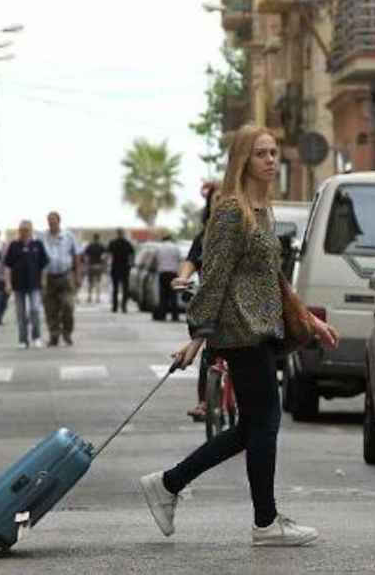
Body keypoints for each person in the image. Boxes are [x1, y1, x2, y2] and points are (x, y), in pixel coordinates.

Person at [138, 125, 340, 547]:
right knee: (265, 423)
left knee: (250, 427)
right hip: (240, 330)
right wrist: (198, 336)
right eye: (261, 154)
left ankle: (169, 484)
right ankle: (265, 523)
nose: (270, 161)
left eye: (273, 153)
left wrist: (309, 319)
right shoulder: (231, 210)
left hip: (262, 327)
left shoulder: (263, 210)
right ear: (243, 161)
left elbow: (274, 276)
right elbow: (214, 277)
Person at [174, 182, 216, 421]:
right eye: (216, 200)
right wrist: (182, 278)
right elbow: (192, 260)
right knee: (210, 350)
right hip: (209, 301)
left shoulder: (240, 232)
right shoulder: (204, 236)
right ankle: (203, 400)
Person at [4, 220, 49, 349]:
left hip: (34, 284)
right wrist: (8, 283)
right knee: (20, 313)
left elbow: (44, 266)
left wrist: (44, 280)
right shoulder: (14, 245)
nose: (24, 232)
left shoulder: (37, 244)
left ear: (31, 230)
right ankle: (23, 340)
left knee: (35, 310)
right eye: (21, 230)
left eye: (26, 230)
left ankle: (36, 337)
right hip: (18, 285)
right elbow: (8, 267)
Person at [41, 211, 80, 346]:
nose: (51, 223)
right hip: (49, 277)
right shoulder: (42, 237)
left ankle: (67, 333)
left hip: (66, 276)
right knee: (50, 308)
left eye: (53, 220)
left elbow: (76, 256)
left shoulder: (68, 236)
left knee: (68, 306)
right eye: (49, 220)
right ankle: (54, 335)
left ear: (59, 221)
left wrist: (77, 275)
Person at [152, 233, 182, 322]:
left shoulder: (159, 248)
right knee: (173, 296)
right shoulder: (175, 248)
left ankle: (162, 315)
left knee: (163, 295)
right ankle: (175, 316)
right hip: (173, 274)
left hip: (163, 273)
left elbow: (155, 260)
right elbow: (179, 260)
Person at [107, 228, 135, 313]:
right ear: (123, 234)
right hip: (125, 268)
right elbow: (132, 254)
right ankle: (124, 307)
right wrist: (131, 264)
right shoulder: (127, 243)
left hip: (115, 267)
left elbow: (108, 254)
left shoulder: (113, 243)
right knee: (125, 288)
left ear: (117, 234)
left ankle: (115, 307)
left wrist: (108, 265)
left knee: (115, 288)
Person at [84, 233, 106, 304]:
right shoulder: (101, 246)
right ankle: (98, 298)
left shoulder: (90, 245)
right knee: (98, 282)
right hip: (99, 265)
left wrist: (87, 263)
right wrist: (103, 264)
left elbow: (86, 255)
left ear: (93, 238)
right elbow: (105, 255)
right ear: (98, 238)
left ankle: (89, 297)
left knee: (90, 283)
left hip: (91, 265)